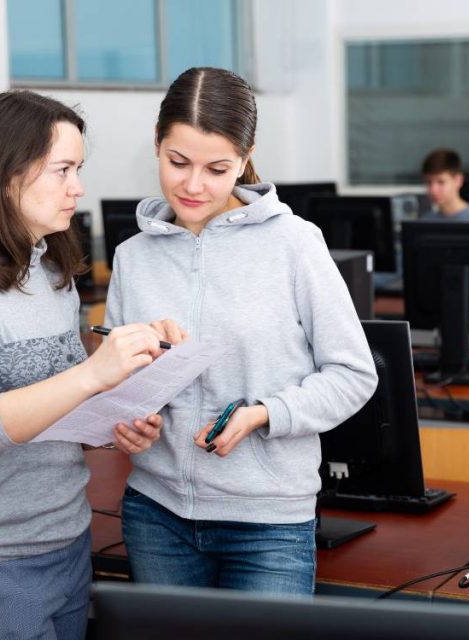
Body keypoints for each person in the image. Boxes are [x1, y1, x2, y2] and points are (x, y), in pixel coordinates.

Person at [0, 90, 180, 639]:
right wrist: (92, 374)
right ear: (7, 174)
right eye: (62, 170)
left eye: (78, 169)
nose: (76, 187)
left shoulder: (52, 274)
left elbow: (50, 411)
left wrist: (114, 420)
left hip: (63, 538)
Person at [105, 67, 378, 595]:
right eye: (177, 162)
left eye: (217, 168)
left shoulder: (295, 244)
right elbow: (116, 381)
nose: (193, 185)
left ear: (246, 157)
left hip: (269, 525)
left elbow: (353, 374)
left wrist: (265, 414)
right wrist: (129, 419)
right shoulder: (132, 257)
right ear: (157, 144)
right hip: (155, 514)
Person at [420, 148, 469, 221]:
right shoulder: (426, 220)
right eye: (428, 182)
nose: (433, 190)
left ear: (458, 181)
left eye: (441, 182)